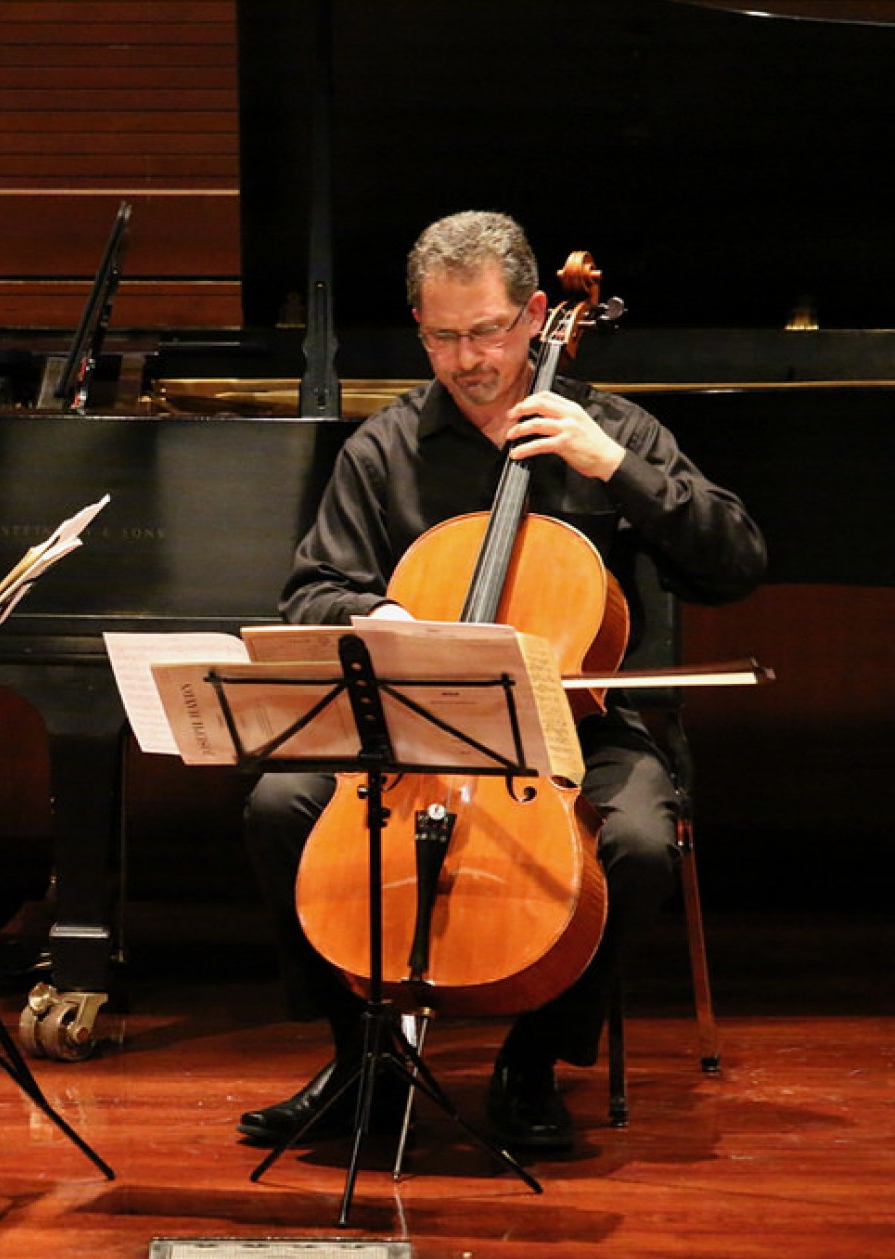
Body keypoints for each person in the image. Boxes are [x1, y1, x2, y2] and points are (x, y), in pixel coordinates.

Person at [239, 211, 767, 1153]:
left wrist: (615, 468)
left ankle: (532, 1062)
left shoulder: (613, 430)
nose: (467, 357)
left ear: (534, 315)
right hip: (416, 724)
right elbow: (310, 589)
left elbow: (734, 563)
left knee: (638, 841)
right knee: (281, 802)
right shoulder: (386, 448)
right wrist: (377, 618)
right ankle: (362, 1054)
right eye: (441, 335)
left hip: (582, 728)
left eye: (485, 330)